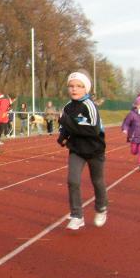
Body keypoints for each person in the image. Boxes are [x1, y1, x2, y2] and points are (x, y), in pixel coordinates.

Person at [57, 71, 107, 230]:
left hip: (95, 150)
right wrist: (62, 136)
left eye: (79, 86)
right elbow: (66, 126)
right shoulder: (67, 107)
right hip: (76, 150)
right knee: (73, 180)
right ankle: (77, 215)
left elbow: (92, 130)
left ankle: (101, 208)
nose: (74, 89)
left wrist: (67, 122)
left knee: (97, 181)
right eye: (71, 86)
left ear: (86, 89)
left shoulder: (89, 106)